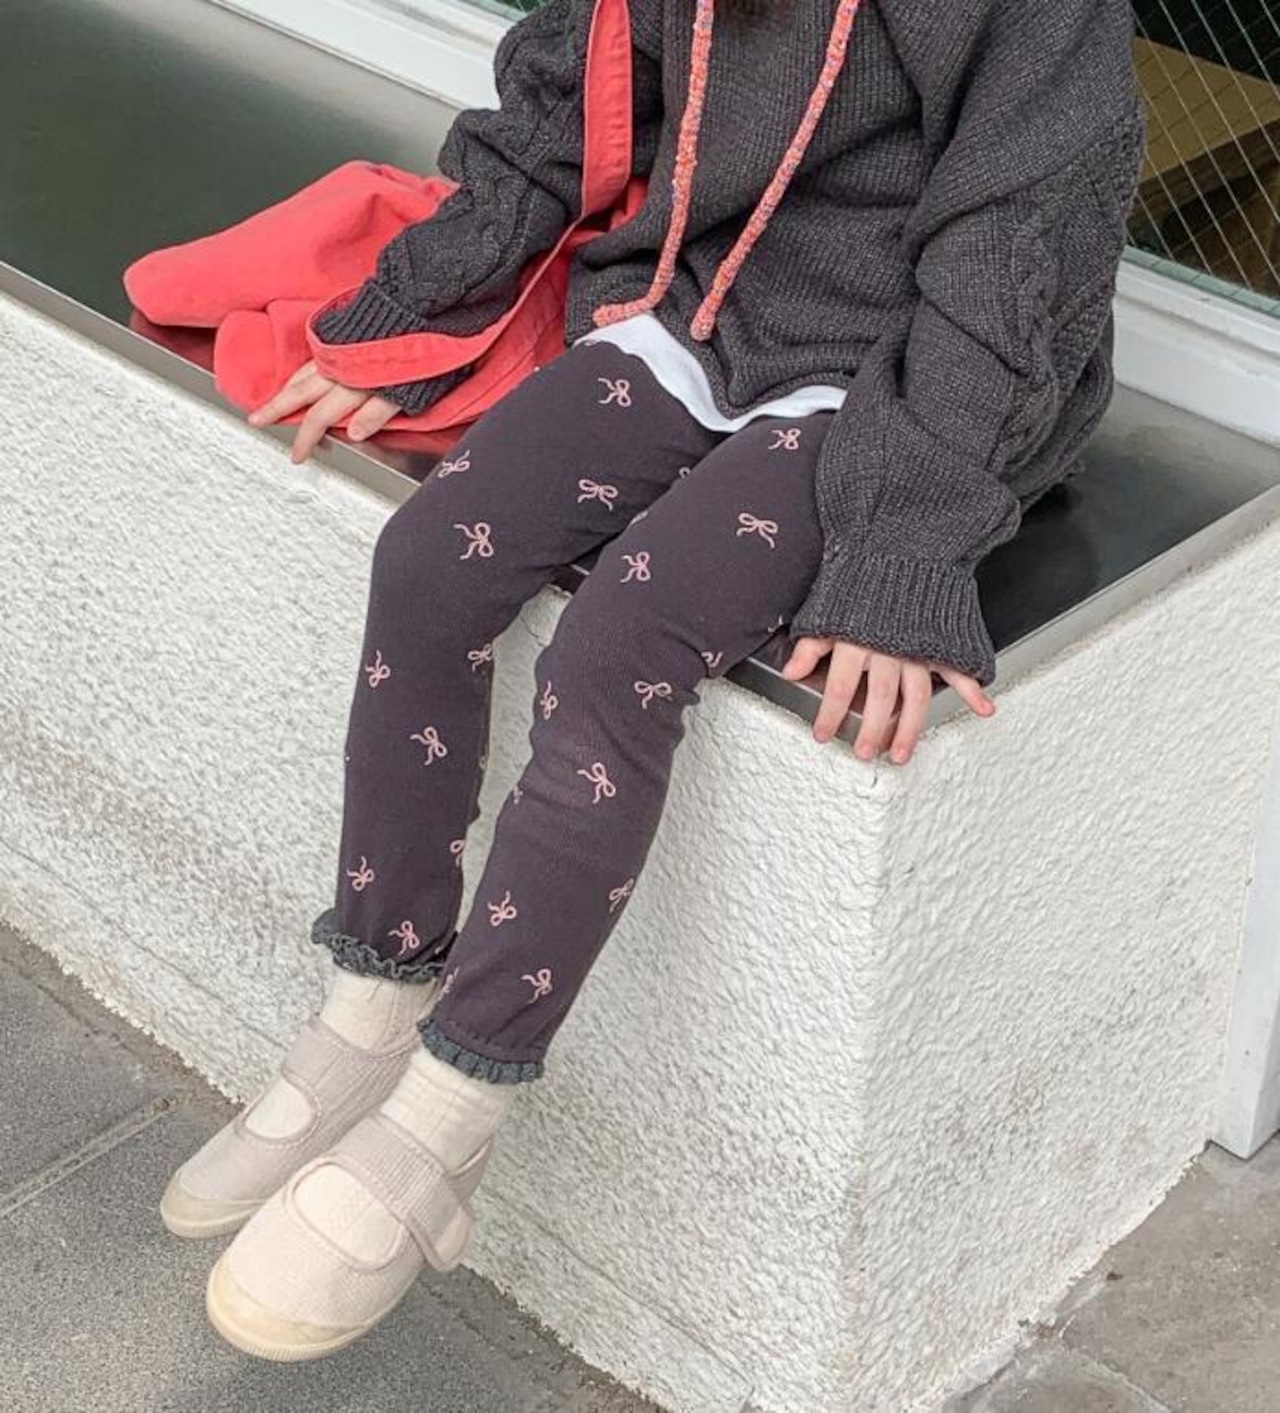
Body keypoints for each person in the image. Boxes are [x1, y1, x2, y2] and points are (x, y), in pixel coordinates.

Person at [160, 0, 1145, 1360]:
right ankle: (371, 1009)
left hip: (890, 389)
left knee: (620, 644)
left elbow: (1019, 247)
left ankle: (449, 1114)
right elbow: (571, 93)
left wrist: (909, 539)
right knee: (431, 558)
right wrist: (423, 297)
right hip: (685, 311)